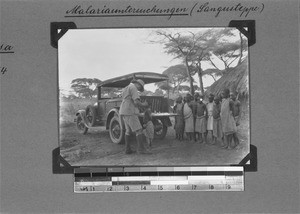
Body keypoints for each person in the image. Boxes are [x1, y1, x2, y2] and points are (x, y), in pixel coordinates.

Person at [119, 79, 151, 154]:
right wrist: (144, 104)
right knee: (139, 130)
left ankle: (127, 149)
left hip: (123, 111)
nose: (139, 89)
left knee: (128, 131)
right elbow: (136, 102)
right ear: (138, 84)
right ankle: (141, 150)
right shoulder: (133, 88)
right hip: (130, 111)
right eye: (140, 88)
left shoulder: (126, 87)